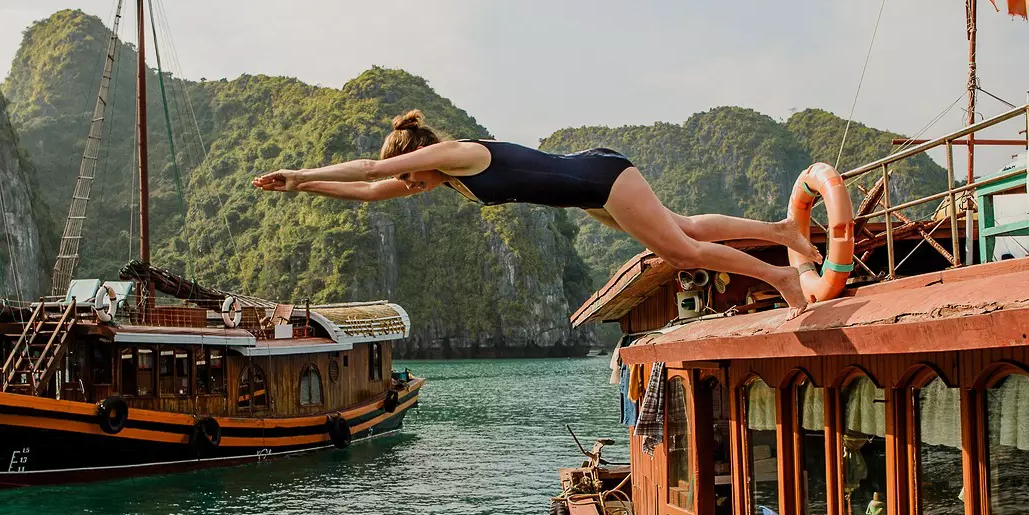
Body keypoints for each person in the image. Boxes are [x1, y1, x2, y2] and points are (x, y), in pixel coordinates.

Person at [252, 110, 820, 310]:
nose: (410, 186)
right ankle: (784, 231)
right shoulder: (443, 181)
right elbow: (374, 192)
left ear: (420, 156)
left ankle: (778, 278)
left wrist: (302, 172)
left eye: (410, 175)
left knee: (679, 250)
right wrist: (302, 191)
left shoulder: (458, 156)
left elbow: (373, 172)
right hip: (591, 188)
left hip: (602, 179)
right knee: (687, 228)